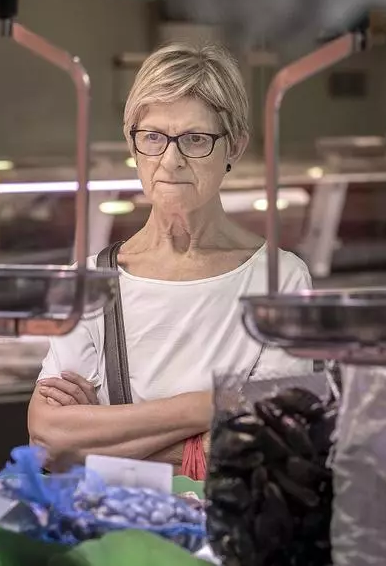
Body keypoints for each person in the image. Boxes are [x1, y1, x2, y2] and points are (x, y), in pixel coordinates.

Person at [26, 44, 314, 475]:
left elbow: (271, 446)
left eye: (196, 140)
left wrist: (99, 440)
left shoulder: (280, 279)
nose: (170, 160)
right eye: (153, 137)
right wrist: (211, 406)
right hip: (112, 518)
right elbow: (48, 442)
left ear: (234, 147)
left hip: (226, 517)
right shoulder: (87, 281)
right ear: (133, 144)